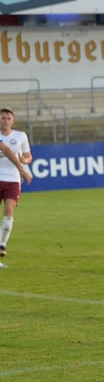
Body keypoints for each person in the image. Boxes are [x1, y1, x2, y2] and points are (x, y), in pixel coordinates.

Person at [0, 107, 32, 267]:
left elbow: (28, 156)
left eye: (8, 118)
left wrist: (25, 162)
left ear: (12, 121)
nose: (5, 120)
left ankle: (2, 245)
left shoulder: (20, 136)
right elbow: (6, 150)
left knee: (10, 207)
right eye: (3, 117)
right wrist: (22, 169)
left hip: (12, 179)